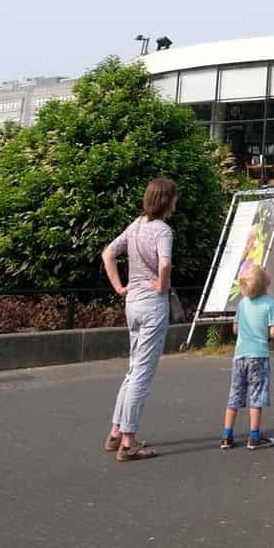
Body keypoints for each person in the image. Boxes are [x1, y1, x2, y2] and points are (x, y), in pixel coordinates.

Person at [101, 176, 177, 461]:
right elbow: (165, 263)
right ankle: (129, 442)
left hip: (132, 303)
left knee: (133, 370)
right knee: (142, 374)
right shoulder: (163, 231)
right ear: (167, 201)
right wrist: (161, 284)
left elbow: (108, 253)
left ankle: (115, 433)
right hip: (153, 306)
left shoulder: (136, 225)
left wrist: (120, 287)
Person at [220, 264, 274, 450]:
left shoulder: (242, 303)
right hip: (258, 356)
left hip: (239, 356)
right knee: (256, 397)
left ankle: (226, 436)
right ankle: (254, 437)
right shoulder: (270, 303)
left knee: (235, 396)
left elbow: (235, 329)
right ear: (265, 284)